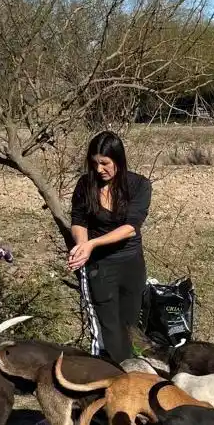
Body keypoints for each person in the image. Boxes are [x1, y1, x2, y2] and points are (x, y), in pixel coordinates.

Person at [67, 131, 152, 362]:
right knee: (109, 328)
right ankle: (112, 373)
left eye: (104, 163)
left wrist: (93, 243)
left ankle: (131, 372)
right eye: (94, 163)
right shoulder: (85, 185)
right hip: (100, 267)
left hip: (131, 264)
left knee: (129, 325)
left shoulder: (139, 185)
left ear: (118, 160)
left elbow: (130, 227)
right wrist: (83, 247)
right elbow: (78, 221)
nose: (98, 169)